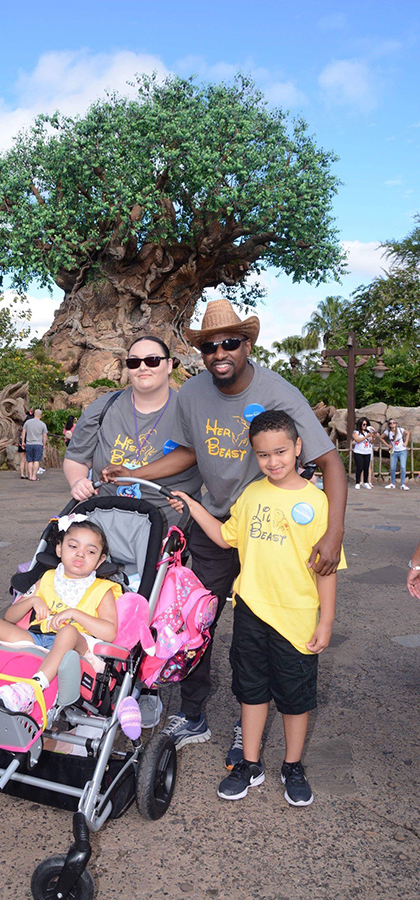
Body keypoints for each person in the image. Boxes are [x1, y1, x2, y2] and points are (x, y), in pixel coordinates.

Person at [102, 299, 347, 760]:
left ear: (247, 344)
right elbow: (189, 452)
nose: (220, 352)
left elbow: (331, 463)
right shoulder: (192, 394)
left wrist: (332, 534)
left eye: (230, 342)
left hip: (266, 531)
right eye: (210, 345)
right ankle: (193, 714)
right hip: (216, 526)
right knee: (199, 620)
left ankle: (247, 725)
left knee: (263, 629)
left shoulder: (278, 393)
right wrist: (136, 469)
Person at [168, 411, 345, 806]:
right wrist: (193, 505)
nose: (273, 461)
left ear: (298, 448)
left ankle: (292, 765)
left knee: (296, 698)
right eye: (263, 454)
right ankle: (249, 764)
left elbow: (327, 570)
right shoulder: (251, 495)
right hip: (250, 611)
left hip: (297, 619)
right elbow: (224, 537)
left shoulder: (317, 503)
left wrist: (327, 620)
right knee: (251, 691)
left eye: (281, 451)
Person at [0, 518, 121, 712]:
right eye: (73, 546)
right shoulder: (48, 578)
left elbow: (109, 632)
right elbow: (10, 617)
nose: (80, 554)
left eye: (90, 551)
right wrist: (32, 601)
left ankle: (32, 688)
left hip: (77, 645)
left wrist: (75, 613)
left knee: (67, 631)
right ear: (59, 549)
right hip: (38, 637)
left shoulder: (103, 589)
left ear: (100, 560)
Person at [63, 335, 202, 528]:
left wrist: (134, 474)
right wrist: (78, 481)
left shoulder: (189, 411)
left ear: (169, 365)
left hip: (169, 533)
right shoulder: (103, 407)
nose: (143, 367)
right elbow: (77, 458)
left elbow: (195, 455)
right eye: (134, 362)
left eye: (152, 361)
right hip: (106, 525)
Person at [380, 417, 410, 490]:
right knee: (393, 467)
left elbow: (408, 433)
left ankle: (403, 483)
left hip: (402, 450)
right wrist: (387, 445)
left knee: (403, 467)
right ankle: (392, 483)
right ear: (389, 425)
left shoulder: (400, 430)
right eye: (391, 423)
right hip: (394, 451)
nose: (392, 424)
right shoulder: (388, 432)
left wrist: (406, 442)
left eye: (394, 422)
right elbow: (381, 437)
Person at [22, 409, 48, 481]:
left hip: (29, 443)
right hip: (38, 444)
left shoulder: (27, 422)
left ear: (34, 414)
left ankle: (30, 476)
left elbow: (23, 432)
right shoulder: (42, 424)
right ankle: (34, 476)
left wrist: (23, 442)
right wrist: (44, 444)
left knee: (29, 461)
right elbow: (44, 436)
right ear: (41, 415)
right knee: (36, 460)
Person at [351, 417, 376, 490]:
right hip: (359, 452)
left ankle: (366, 482)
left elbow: (371, 441)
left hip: (367, 451)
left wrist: (372, 435)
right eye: (363, 424)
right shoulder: (356, 432)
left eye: (366, 424)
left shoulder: (368, 432)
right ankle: (357, 482)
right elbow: (358, 440)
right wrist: (366, 436)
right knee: (359, 467)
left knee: (366, 467)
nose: (365, 426)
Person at [18, 410, 34, 479]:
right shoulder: (32, 427)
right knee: (28, 460)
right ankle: (27, 474)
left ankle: (22, 474)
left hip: (21, 443)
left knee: (22, 460)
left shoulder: (23, 426)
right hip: (29, 443)